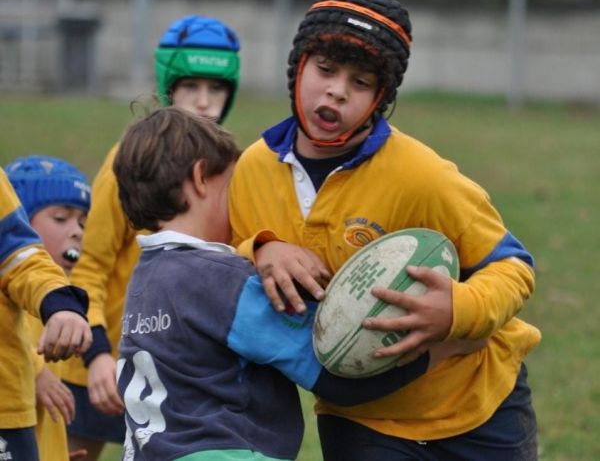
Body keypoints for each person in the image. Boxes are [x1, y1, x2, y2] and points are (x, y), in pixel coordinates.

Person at [228, 0, 542, 460]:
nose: (337, 90)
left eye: (361, 82)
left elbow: (513, 266)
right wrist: (260, 248)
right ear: (298, 67)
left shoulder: (422, 176)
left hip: (477, 407)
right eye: (326, 70)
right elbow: (213, 264)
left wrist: (456, 309)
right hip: (360, 417)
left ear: (381, 97)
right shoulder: (250, 170)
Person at [113, 106, 484, 461]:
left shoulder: (146, 280)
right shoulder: (223, 281)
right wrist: (444, 346)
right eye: (233, 188)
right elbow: (336, 378)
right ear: (199, 179)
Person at [62, 14, 241, 460]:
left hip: (166, 373)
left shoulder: (228, 170)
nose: (204, 102)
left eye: (216, 89)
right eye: (190, 88)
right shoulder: (130, 162)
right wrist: (98, 356)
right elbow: (89, 265)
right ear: (168, 87)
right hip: (96, 365)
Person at [0, 166, 92, 461]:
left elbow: (18, 256)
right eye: (61, 219)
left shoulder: (56, 309)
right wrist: (38, 372)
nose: (77, 231)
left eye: (82, 222)